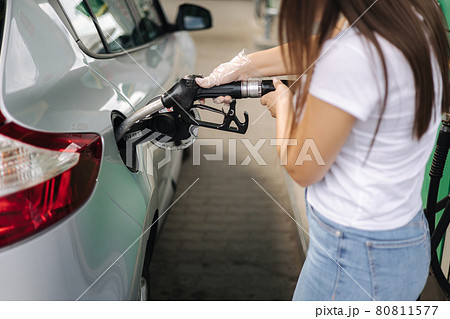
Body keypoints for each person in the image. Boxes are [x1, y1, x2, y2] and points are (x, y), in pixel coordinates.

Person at [196, 0, 450, 301]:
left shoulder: (354, 54)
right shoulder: (413, 14)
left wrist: (285, 107)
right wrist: (247, 65)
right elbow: (328, 48)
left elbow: (302, 165)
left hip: (355, 256)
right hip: (400, 239)